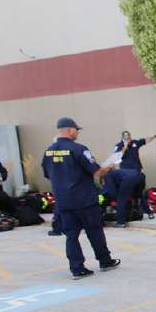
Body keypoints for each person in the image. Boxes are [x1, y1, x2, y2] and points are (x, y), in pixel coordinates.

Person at [42, 117, 121, 280]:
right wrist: (110, 167)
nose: (77, 132)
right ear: (70, 130)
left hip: (64, 201)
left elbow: (47, 174)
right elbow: (96, 172)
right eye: (76, 130)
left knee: (71, 235)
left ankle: (77, 269)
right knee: (95, 231)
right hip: (84, 200)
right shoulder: (79, 149)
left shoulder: (48, 151)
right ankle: (105, 261)